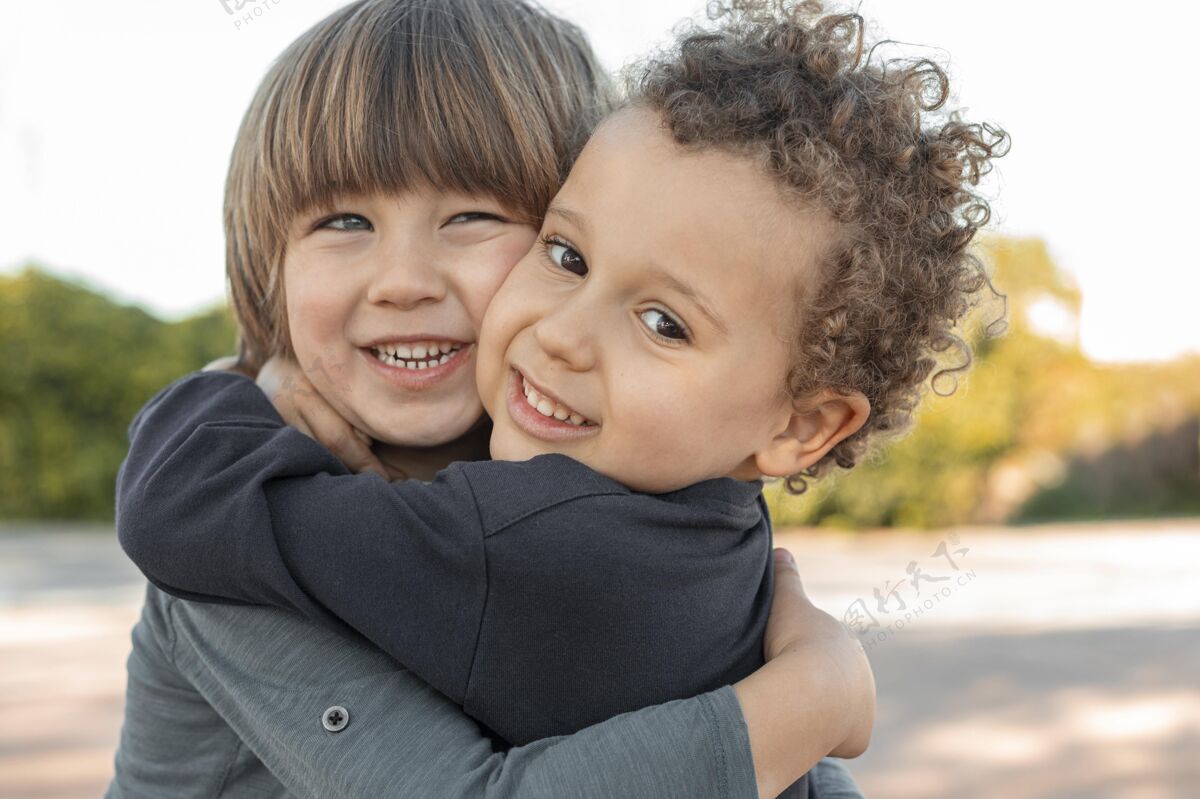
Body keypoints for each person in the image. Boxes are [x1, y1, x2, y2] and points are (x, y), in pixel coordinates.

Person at [107, 0, 871, 796]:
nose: (402, 282)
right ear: (273, 265)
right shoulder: (234, 544)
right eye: (342, 220)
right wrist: (812, 698)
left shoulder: (604, 481)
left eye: (472, 215)